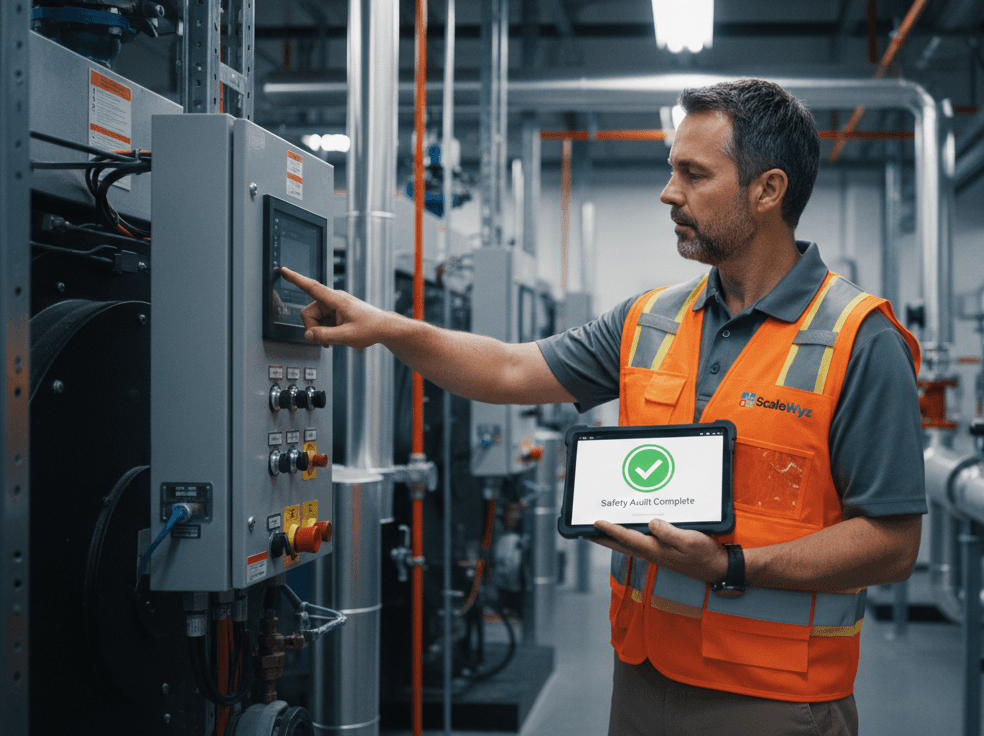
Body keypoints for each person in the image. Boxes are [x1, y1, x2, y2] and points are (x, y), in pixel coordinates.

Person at [280, 79, 926, 736]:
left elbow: (893, 543)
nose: (668, 192)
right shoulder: (651, 318)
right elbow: (510, 368)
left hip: (771, 700)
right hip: (642, 679)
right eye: (671, 170)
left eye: (692, 174)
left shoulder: (860, 339)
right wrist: (390, 328)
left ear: (767, 190)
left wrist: (732, 566)